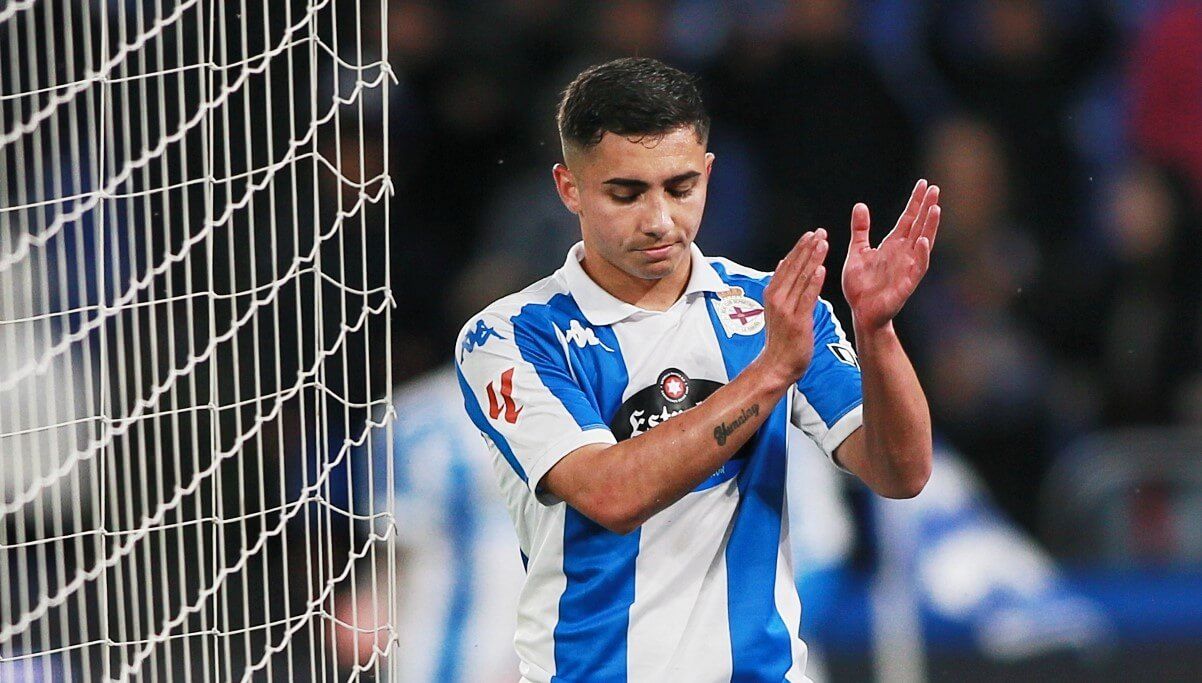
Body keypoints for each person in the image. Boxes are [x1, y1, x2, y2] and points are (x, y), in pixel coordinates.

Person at [454, 57, 940, 681]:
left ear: (709, 174)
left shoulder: (774, 312)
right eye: (626, 193)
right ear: (569, 187)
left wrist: (877, 331)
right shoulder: (512, 335)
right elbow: (611, 493)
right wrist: (768, 375)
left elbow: (901, 472)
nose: (659, 220)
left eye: (680, 188)